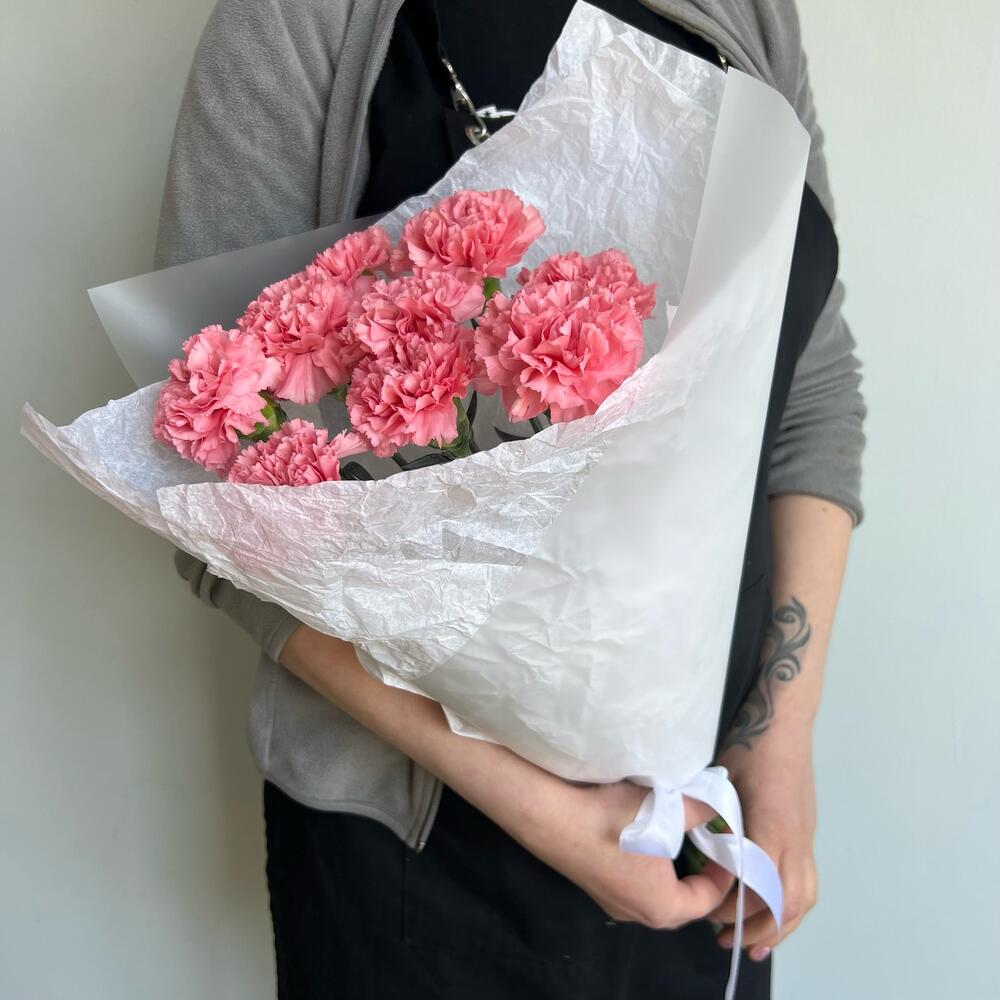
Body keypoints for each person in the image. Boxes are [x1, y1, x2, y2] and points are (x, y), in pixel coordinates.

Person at [155, 1, 866, 997]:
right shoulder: (298, 21)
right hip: (416, 846)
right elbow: (201, 475)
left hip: (702, 815)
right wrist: (546, 813)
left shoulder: (746, 12)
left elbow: (811, 385)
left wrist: (779, 740)